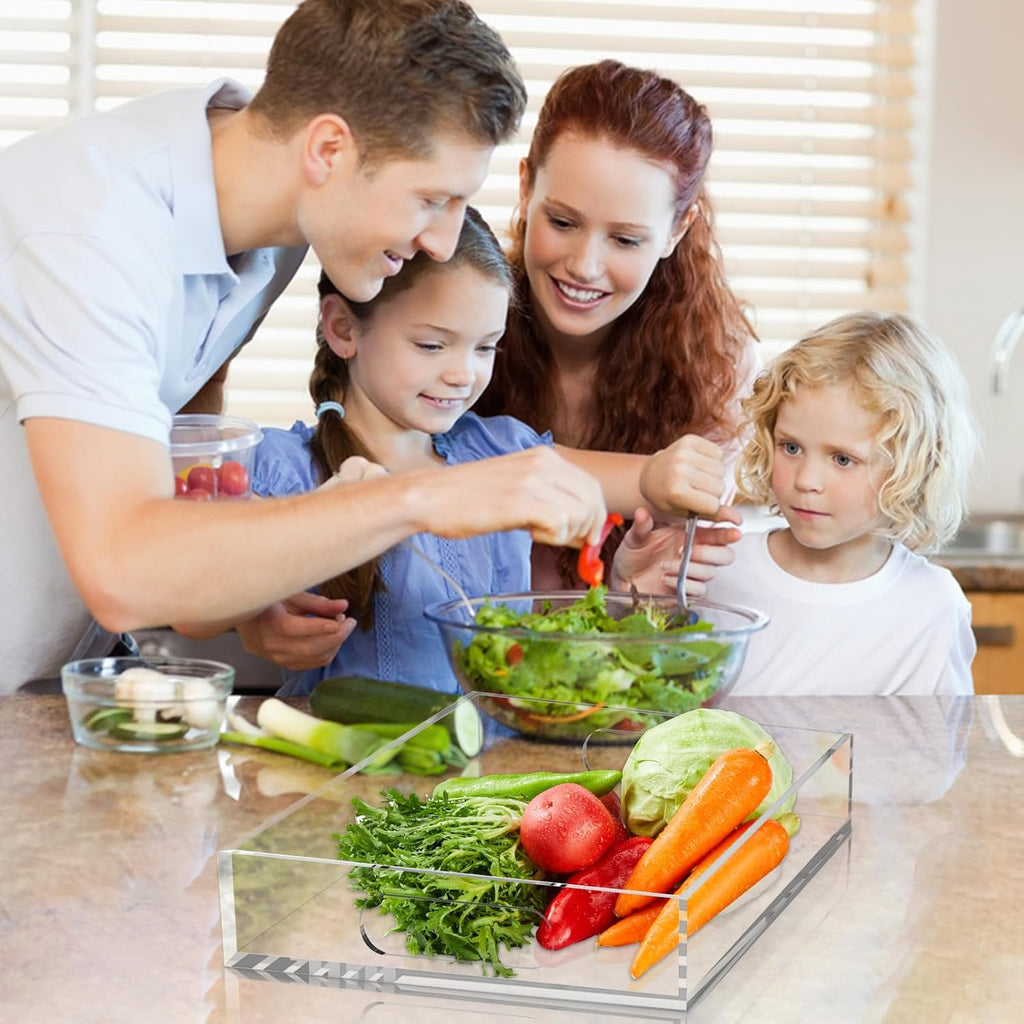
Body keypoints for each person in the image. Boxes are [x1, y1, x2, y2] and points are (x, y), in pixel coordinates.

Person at [0, 0, 628, 693]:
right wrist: (423, 496)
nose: (443, 243)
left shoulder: (278, 214)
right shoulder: (89, 234)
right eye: (431, 199)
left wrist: (247, 592)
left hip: (54, 677)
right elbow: (124, 568)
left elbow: (188, 426)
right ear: (329, 149)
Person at [203, 207, 723, 695]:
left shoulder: (500, 450)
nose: (463, 374)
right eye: (432, 345)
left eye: (485, 347)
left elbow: (641, 483)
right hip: (348, 779)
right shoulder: (282, 465)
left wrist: (666, 474)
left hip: (492, 774)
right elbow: (196, 598)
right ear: (342, 328)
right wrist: (256, 612)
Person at [474, 59, 759, 588]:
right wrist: (644, 480)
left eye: (626, 240)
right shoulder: (456, 314)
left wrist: (630, 596)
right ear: (525, 187)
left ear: (678, 229)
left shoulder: (717, 367)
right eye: (562, 222)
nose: (584, 265)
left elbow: (652, 620)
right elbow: (440, 474)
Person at [704, 311, 979, 696]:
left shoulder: (933, 606)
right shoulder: (718, 571)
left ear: (913, 466)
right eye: (792, 447)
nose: (806, 481)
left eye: (843, 459)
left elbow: (939, 748)